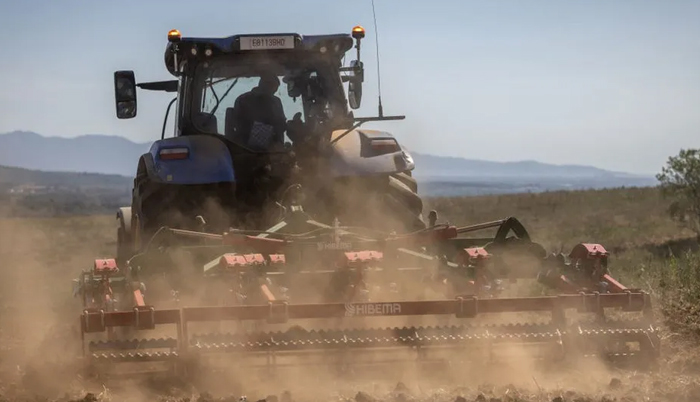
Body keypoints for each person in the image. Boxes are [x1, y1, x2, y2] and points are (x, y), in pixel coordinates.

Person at [228, 72, 287, 150]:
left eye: (275, 90)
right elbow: (241, 127)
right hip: (247, 151)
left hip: (274, 152)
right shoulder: (244, 100)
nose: (273, 92)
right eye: (272, 89)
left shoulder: (276, 102)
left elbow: (281, 125)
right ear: (263, 84)